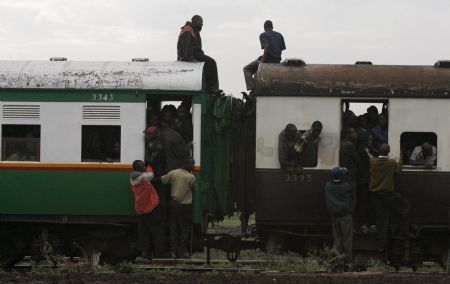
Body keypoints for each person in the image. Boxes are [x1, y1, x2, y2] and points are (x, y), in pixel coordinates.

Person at [369, 143, 411, 249]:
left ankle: (381, 245)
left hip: (375, 194)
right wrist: (401, 156)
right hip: (387, 193)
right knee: (405, 206)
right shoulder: (391, 162)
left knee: (381, 218)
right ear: (388, 152)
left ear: (379, 151)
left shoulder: (372, 161)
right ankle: (404, 232)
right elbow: (399, 168)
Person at [161, 158, 196, 258]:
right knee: (184, 229)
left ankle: (173, 252)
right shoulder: (191, 177)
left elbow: (163, 180)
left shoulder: (173, 173)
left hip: (173, 204)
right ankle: (182, 252)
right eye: (192, 164)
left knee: (173, 228)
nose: (193, 166)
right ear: (186, 165)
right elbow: (194, 189)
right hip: (185, 206)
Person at [130, 160, 164, 260]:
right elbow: (151, 175)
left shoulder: (132, 178)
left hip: (140, 208)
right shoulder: (143, 177)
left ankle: (145, 252)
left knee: (143, 231)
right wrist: (149, 165)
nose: (144, 167)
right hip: (151, 206)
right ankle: (160, 252)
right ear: (138, 168)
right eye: (142, 166)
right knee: (156, 229)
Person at [177, 15, 220, 94]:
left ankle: (208, 86)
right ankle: (212, 88)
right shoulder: (188, 31)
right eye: (201, 22)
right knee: (211, 62)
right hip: (188, 56)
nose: (202, 24)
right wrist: (191, 59)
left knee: (208, 62)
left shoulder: (193, 30)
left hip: (194, 54)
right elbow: (187, 48)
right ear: (195, 21)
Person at [243, 20, 286, 91]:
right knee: (257, 68)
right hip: (277, 60)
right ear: (272, 27)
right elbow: (281, 49)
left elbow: (267, 47)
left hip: (267, 60)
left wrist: (262, 62)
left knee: (246, 69)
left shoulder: (263, 35)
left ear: (264, 27)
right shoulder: (280, 35)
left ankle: (253, 88)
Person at [324, 167, 353, 260]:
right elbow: (350, 188)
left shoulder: (328, 185)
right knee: (347, 238)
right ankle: (347, 257)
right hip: (345, 215)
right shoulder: (345, 186)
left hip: (334, 215)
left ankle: (336, 257)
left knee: (337, 237)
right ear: (341, 176)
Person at [160, 107, 190, 172]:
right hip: (175, 167)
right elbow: (180, 153)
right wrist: (188, 146)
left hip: (165, 166)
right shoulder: (176, 136)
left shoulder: (162, 132)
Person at [339, 127, 358, 210]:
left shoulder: (343, 143)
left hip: (345, 175)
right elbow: (357, 159)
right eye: (353, 133)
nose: (356, 134)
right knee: (352, 199)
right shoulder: (349, 145)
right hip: (349, 175)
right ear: (348, 135)